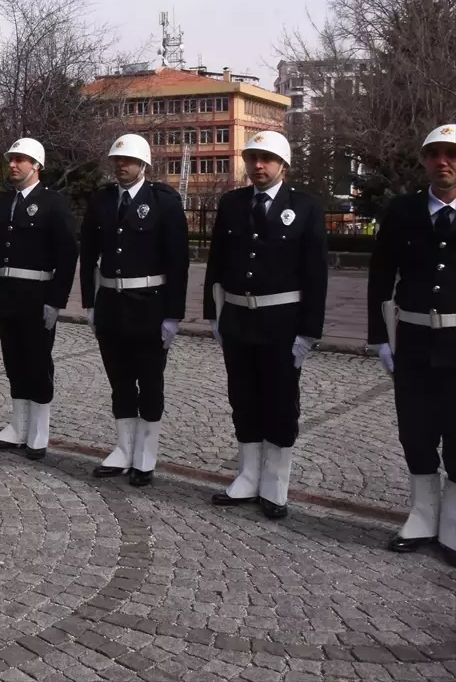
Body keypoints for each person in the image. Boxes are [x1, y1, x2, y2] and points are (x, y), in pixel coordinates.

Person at [204, 130, 328, 520]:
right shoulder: (232, 203)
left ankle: (275, 483)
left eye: (267, 159)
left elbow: (315, 273)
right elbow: (217, 263)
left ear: (283, 166)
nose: (258, 166)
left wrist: (309, 331)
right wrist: (215, 315)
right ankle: (247, 475)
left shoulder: (305, 207)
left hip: (282, 322)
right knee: (243, 398)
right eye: (253, 158)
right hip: (239, 317)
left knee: (279, 402)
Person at [368, 123, 456, 566]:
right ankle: (422, 516)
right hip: (415, 338)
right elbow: (381, 275)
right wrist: (380, 337)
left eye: (451, 153)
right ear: (423, 161)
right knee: (416, 431)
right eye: (435, 154)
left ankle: (454, 524)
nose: (444, 162)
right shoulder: (403, 211)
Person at [80, 134, 189, 486]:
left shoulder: (164, 203)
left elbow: (179, 262)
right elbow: (87, 257)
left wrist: (173, 314)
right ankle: (123, 449)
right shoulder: (102, 201)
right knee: (120, 382)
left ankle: (146, 454)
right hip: (112, 302)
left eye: (127, 161)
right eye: (116, 161)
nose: (120, 166)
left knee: (150, 382)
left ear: (143, 165)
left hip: (149, 306)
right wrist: (90, 302)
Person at [0, 138, 78, 460]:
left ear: (36, 165)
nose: (13, 164)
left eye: (20, 159)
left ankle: (39, 431)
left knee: (38, 363)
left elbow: (67, 254)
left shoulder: (53, 204)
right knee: (13, 362)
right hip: (9, 293)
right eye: (11, 159)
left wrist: (56, 301)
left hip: (37, 295)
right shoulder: (3, 202)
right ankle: (17, 426)